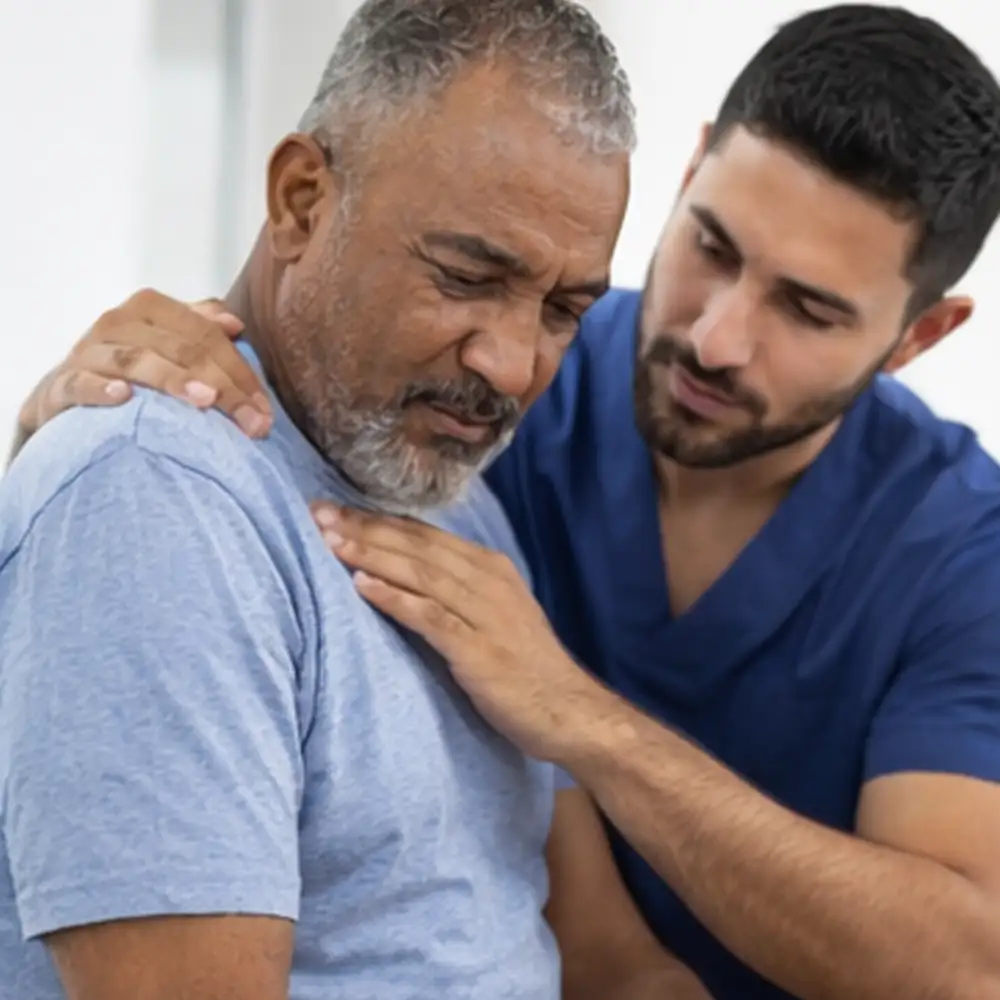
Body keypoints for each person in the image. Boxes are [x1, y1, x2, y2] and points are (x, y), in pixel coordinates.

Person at [17, 3, 1000, 999]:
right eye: (712, 246)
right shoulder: (419, 420)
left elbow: (957, 965)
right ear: (691, 171)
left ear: (919, 336)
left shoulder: (466, 470)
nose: (714, 340)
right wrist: (89, 442)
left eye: (808, 309)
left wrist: (578, 713)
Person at [0, 2, 716, 999]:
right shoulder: (155, 499)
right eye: (466, 277)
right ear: (300, 201)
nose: (513, 367)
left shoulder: (453, 497)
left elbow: (609, 961)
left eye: (562, 311)